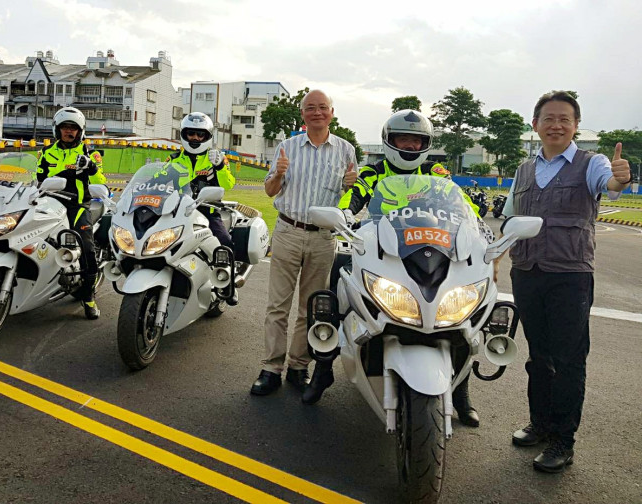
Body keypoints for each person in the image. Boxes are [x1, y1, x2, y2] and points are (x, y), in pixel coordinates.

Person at [302, 110, 485, 426]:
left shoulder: (436, 173)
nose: (411, 147)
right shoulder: (374, 173)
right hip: (384, 250)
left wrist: (478, 223)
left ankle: (461, 390)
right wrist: (344, 214)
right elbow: (355, 197)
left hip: (435, 248)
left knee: (462, 308)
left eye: (417, 141)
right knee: (338, 275)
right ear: (390, 141)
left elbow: (461, 204)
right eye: (404, 139)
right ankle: (324, 366)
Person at [500, 91, 631, 473]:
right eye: (549, 118)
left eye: (565, 119)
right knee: (537, 357)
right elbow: (509, 217)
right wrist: (493, 257)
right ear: (535, 124)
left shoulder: (592, 163)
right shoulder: (524, 170)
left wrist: (620, 181)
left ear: (575, 126)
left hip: (569, 276)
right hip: (526, 273)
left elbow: (610, 185)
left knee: (568, 361)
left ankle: (563, 440)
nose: (556, 125)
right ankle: (539, 425)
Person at [250, 89, 357, 397]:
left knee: (311, 308)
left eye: (323, 107)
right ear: (303, 114)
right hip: (288, 230)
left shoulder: (346, 151)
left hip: (324, 238)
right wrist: (279, 175)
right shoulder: (287, 147)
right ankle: (271, 368)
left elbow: (350, 197)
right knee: (277, 306)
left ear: (332, 113)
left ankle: (299, 365)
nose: (317, 112)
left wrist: (350, 186)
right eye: (311, 108)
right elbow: (270, 191)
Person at [36, 107, 103, 320]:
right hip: (48, 204)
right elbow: (36, 180)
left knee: (86, 246)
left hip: (77, 206)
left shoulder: (89, 153)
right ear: (57, 129)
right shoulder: (46, 153)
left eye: (73, 127)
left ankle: (89, 297)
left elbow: (100, 181)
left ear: (80, 131)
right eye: (65, 127)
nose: (69, 131)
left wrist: (91, 167)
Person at [164, 112, 238, 304]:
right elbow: (159, 183)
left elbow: (228, 184)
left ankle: (228, 284)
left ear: (207, 137)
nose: (195, 138)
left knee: (224, 243)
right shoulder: (173, 160)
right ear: (184, 135)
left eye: (200, 135)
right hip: (178, 213)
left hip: (207, 211)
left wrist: (220, 166)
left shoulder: (216, 158)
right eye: (191, 134)